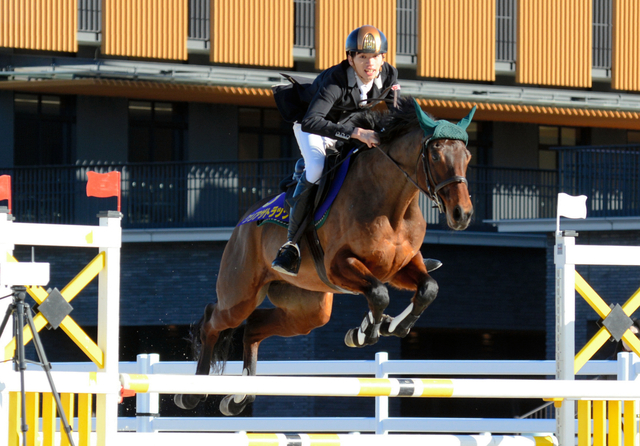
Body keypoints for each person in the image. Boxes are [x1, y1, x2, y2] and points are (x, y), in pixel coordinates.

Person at [271, 25, 442, 276]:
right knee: (318, 167)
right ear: (350, 59)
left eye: (375, 57)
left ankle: (405, 251)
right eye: (362, 57)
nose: (369, 63)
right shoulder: (335, 81)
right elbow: (311, 121)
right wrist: (356, 133)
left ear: (383, 58)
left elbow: (397, 118)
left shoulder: (389, 76)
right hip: (313, 127)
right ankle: (291, 246)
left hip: (348, 126)